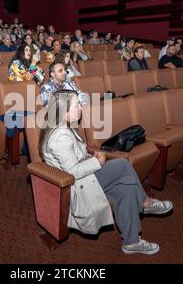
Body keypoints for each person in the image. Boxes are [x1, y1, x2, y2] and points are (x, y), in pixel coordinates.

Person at [39, 90, 173, 255]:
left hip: (85, 178)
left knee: (127, 187)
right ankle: (145, 202)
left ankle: (131, 243)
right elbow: (72, 172)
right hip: (75, 186)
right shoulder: (60, 136)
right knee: (123, 165)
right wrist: (98, 161)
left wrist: (89, 155)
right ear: (64, 111)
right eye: (76, 105)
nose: (81, 107)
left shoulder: (65, 126)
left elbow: (73, 157)